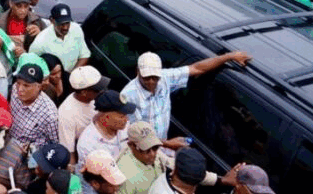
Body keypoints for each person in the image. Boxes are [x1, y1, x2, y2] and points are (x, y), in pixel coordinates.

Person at [120, 50, 252, 146]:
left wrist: (229, 56)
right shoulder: (129, 95)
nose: (151, 82)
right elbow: (133, 136)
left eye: (155, 77)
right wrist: (168, 144)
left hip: (160, 145)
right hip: (141, 148)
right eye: (146, 77)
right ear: (138, 71)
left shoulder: (165, 78)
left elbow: (197, 68)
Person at [58, 66, 109, 164]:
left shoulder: (95, 98)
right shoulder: (66, 114)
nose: (102, 90)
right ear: (84, 92)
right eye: (97, 89)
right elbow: (69, 151)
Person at [76, 90, 137, 171]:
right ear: (107, 118)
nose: (127, 119)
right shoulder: (87, 145)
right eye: (122, 116)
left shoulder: (124, 125)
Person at [28, 3, 90, 73]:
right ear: (52, 21)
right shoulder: (40, 42)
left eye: (67, 23)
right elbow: (30, 67)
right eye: (61, 24)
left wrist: (73, 75)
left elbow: (84, 55)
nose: (65, 27)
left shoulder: (76, 29)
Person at [9, 63, 59, 148]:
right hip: (8, 141)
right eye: (18, 83)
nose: (20, 89)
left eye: (26, 85)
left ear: (39, 87)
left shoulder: (50, 115)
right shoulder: (14, 89)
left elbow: (54, 144)